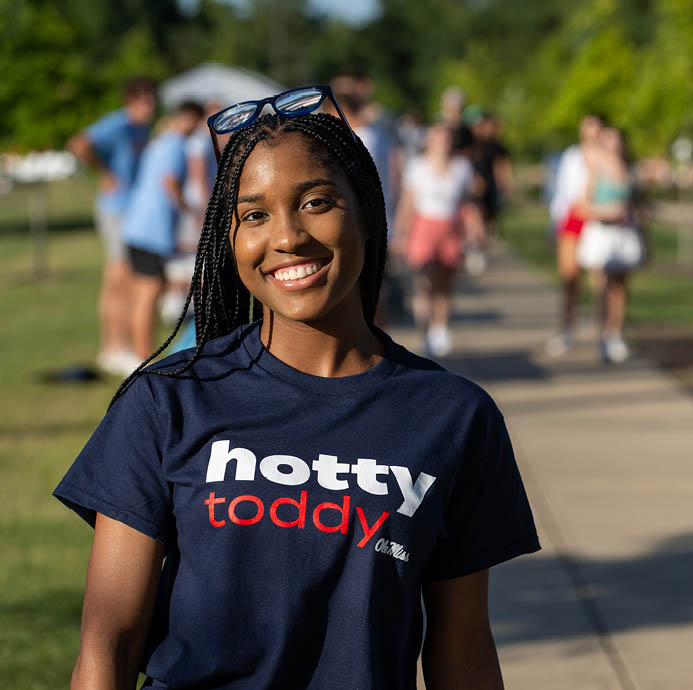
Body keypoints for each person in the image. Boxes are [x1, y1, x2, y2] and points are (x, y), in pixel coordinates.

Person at [54, 89, 540, 690]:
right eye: (254, 214)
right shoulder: (168, 400)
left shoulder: (455, 417)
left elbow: (462, 653)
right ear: (229, 240)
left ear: (366, 209)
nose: (287, 237)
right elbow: (108, 647)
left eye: (316, 202)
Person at [67, 77, 156, 376]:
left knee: (128, 278)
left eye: (152, 99)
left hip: (132, 211)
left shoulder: (142, 128)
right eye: (145, 100)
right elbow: (78, 144)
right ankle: (113, 349)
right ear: (131, 100)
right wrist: (104, 172)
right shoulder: (117, 124)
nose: (150, 105)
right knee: (117, 278)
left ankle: (121, 347)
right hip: (116, 209)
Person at [122, 100, 204, 361]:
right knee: (148, 297)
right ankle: (144, 359)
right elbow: (168, 181)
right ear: (189, 118)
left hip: (138, 227)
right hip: (150, 233)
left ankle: (140, 355)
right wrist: (189, 210)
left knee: (141, 296)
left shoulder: (160, 140)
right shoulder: (177, 144)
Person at [393, 122, 475, 357]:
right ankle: (425, 333)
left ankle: (440, 326)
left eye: (446, 139)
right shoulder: (417, 166)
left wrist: (472, 231)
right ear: (429, 141)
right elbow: (408, 204)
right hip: (424, 227)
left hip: (450, 226)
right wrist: (400, 234)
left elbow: (467, 203)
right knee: (424, 283)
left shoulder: (462, 166)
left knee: (445, 283)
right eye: (438, 138)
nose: (442, 144)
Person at [577, 127, 637, 363]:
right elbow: (583, 205)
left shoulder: (628, 169)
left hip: (623, 233)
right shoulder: (595, 170)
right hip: (602, 233)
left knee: (620, 287)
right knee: (601, 286)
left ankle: (616, 333)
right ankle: (602, 335)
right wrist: (606, 212)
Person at [545, 114, 603, 356]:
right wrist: (556, 223)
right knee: (569, 278)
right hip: (572, 218)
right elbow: (563, 190)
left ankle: (604, 333)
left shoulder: (605, 156)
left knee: (599, 281)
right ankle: (567, 329)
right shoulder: (572, 155)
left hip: (596, 218)